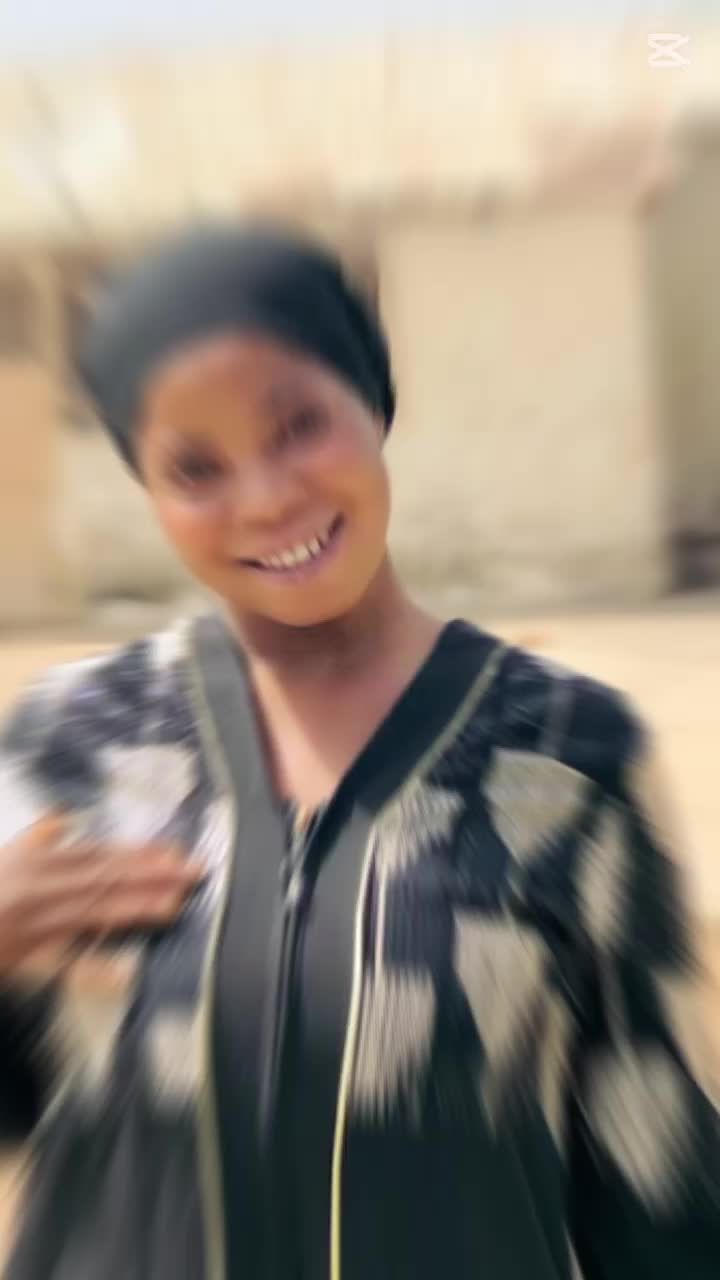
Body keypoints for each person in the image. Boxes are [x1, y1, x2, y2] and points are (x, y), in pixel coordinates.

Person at [0, 221, 717, 1280]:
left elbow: (660, 1174)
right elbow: (25, 1110)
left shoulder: (571, 756)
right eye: (194, 467)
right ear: (146, 489)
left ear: (374, 401)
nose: (265, 497)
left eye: (298, 424)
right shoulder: (73, 741)